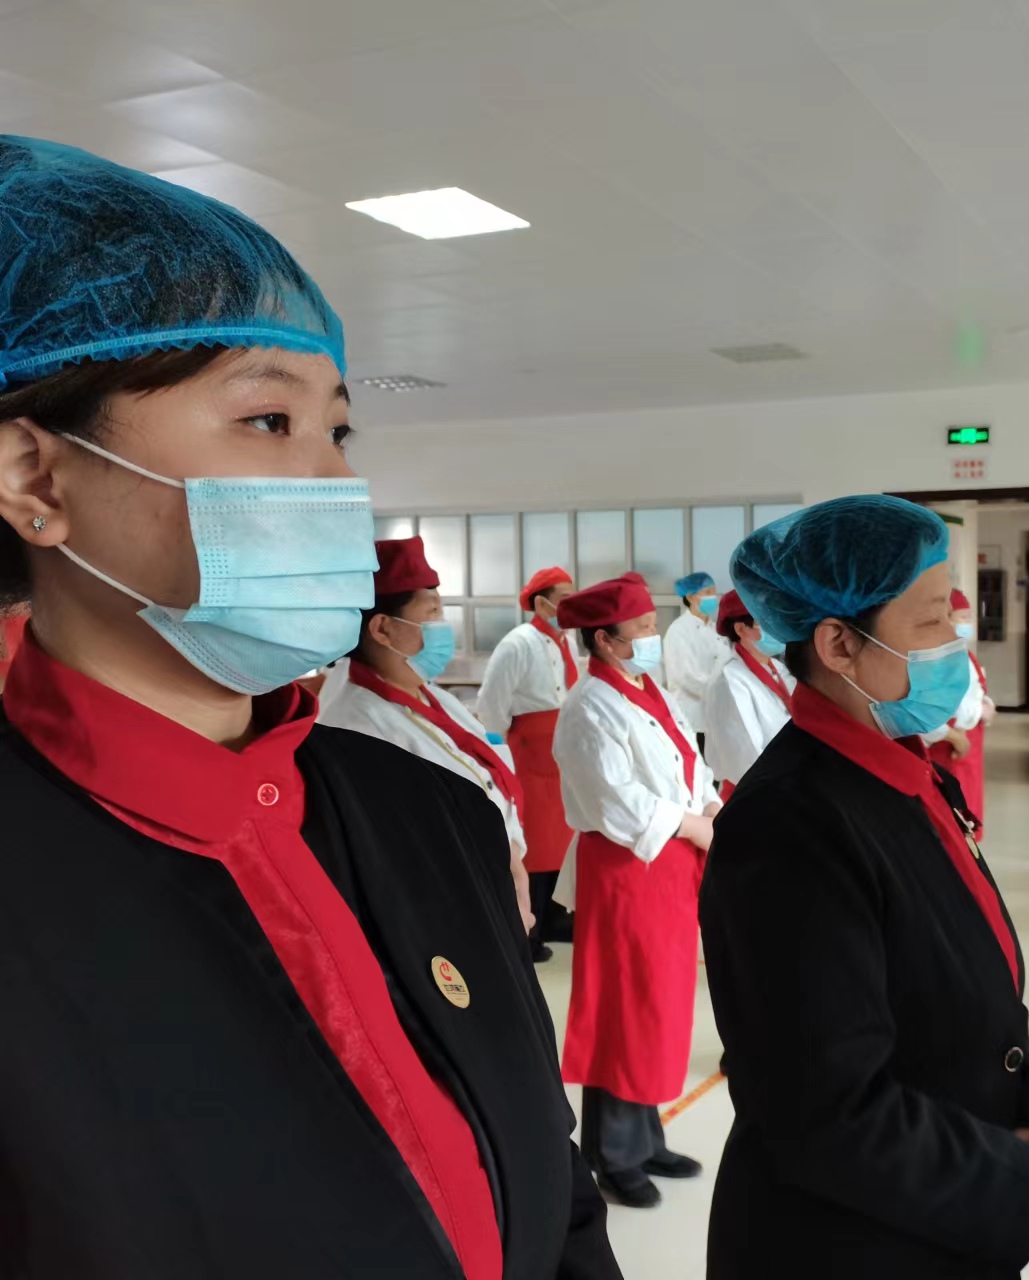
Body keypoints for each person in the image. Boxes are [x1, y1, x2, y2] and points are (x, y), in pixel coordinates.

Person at [0, 136, 618, 1278]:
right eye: (268, 422)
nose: (340, 487)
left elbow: (557, 1191)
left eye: (339, 430)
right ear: (37, 476)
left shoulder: (431, 813)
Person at [700, 495, 1029, 1279]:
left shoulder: (903, 772)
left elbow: (975, 993)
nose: (955, 642)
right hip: (852, 1242)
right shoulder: (790, 825)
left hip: (938, 1200)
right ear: (839, 644)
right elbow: (827, 1109)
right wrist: (1021, 1184)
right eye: (933, 621)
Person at [552, 572, 720, 1209]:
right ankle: (613, 1153)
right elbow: (618, 801)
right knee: (625, 1006)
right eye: (643, 629)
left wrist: (709, 805)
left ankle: (646, 1137)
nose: (654, 637)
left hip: (670, 864)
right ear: (605, 639)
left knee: (660, 1005)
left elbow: (688, 762)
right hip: (628, 868)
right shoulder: (588, 706)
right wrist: (696, 826)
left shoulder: (651, 691)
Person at [319, 536, 534, 935]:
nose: (442, 626)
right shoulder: (353, 724)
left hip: (493, 883)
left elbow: (489, 774)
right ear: (382, 628)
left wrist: (513, 854)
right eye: (432, 612)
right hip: (448, 908)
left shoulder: (434, 697)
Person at [477, 565, 580, 958]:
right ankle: (530, 930)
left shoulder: (567, 640)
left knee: (564, 837)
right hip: (530, 754)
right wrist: (501, 753)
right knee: (535, 841)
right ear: (541, 603)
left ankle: (556, 918)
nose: (571, 605)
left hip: (562, 751)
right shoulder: (517, 643)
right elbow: (492, 705)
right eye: (564, 598)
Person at [702, 587, 794, 799]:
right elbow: (747, 761)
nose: (777, 629)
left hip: (784, 783)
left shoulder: (777, 669)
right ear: (741, 629)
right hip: (757, 795)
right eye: (766, 622)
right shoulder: (729, 682)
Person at [923, 587, 996, 835]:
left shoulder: (963, 653)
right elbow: (933, 707)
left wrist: (985, 706)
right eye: (962, 617)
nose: (968, 623)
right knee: (951, 819)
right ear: (945, 618)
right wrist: (955, 734)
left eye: (969, 617)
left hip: (968, 748)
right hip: (949, 748)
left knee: (966, 816)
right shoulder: (936, 658)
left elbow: (973, 691)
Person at [661, 569, 729, 749]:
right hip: (693, 718)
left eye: (714, 592)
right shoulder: (679, 630)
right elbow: (687, 676)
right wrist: (720, 694)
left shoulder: (715, 630)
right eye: (707, 592)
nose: (713, 597)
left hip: (717, 717)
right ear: (690, 597)